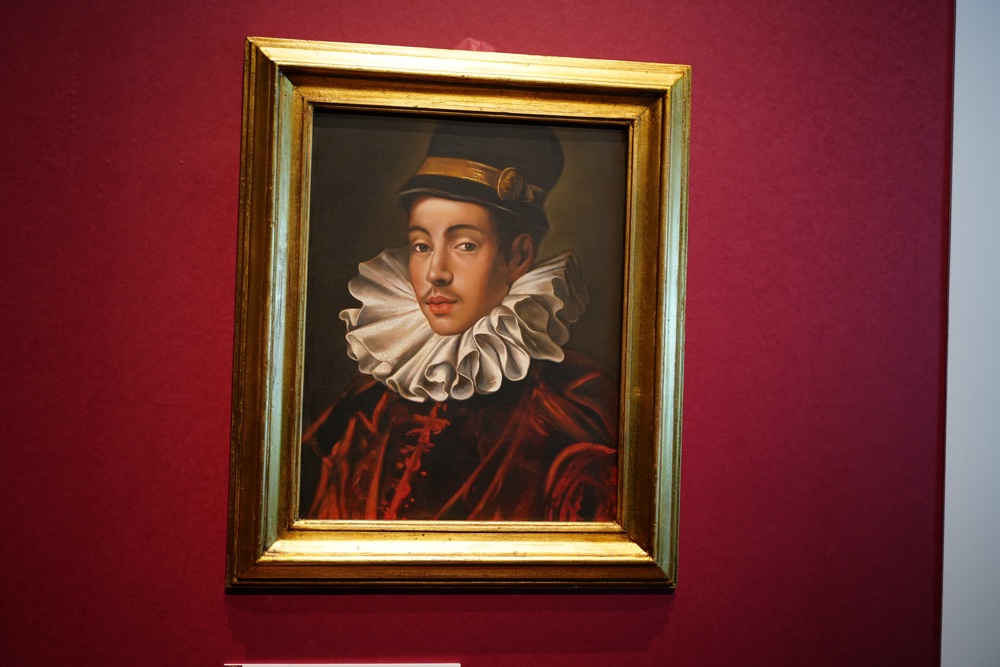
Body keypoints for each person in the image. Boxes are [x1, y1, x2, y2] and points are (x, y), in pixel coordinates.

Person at [303, 121, 618, 521]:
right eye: (421, 245)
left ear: (518, 257)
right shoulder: (368, 404)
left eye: (465, 245)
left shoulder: (570, 408)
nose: (435, 272)